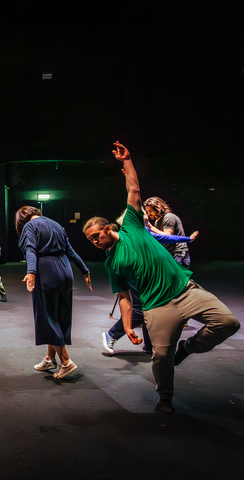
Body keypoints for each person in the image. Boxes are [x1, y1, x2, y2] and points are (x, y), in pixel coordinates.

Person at [83, 141, 239, 414]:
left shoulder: (132, 225)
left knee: (228, 322)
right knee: (162, 356)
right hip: (157, 306)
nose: (95, 241)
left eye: (97, 235)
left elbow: (134, 190)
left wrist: (127, 160)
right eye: (91, 240)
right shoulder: (111, 262)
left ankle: (189, 346)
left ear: (108, 228)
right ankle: (165, 397)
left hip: (186, 290)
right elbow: (124, 297)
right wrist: (128, 327)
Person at [102, 217, 199, 355]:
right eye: (145, 217)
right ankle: (112, 334)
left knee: (149, 306)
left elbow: (162, 238)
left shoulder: (142, 231)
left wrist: (188, 240)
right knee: (141, 309)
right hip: (134, 275)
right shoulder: (131, 233)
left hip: (144, 275)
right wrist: (188, 239)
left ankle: (149, 345)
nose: (148, 220)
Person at [16, 206, 92, 379]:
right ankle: (50, 358)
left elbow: (30, 249)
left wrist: (31, 272)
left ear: (21, 219)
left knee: (47, 317)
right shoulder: (56, 224)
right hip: (65, 270)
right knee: (58, 315)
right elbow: (70, 251)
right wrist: (85, 270)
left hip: (47, 270)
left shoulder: (29, 226)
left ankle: (66, 362)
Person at [143, 197, 192, 269]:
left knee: (178, 278)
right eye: (147, 211)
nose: (148, 214)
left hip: (177, 253)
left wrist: (150, 227)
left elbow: (168, 235)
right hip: (169, 253)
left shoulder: (169, 217)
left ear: (158, 207)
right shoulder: (157, 221)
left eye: (150, 211)